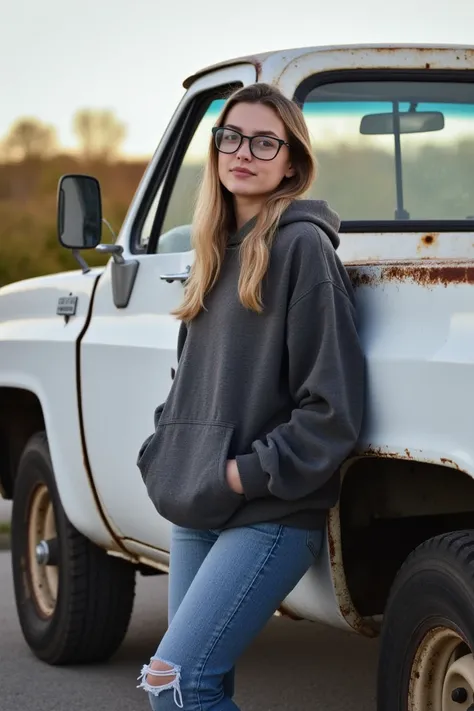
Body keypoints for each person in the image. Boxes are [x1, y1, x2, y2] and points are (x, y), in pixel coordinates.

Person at [136, 82, 365, 710]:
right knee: (192, 684)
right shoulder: (208, 252)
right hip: (197, 507)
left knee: (177, 685)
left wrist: (241, 474)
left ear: (291, 160)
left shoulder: (302, 249)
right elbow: (187, 384)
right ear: (214, 151)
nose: (245, 152)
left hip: (268, 512)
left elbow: (332, 409)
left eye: (266, 141)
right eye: (231, 137)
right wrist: (166, 452)